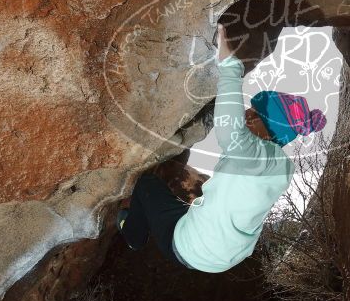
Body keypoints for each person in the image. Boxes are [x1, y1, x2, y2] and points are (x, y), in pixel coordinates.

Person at [117, 24, 326, 272]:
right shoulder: (275, 166)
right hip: (219, 255)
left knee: (146, 185)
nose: (246, 116)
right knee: (180, 202)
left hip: (192, 246)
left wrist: (230, 67)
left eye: (253, 113)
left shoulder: (264, 158)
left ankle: (133, 236)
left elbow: (229, 133)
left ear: (268, 126)